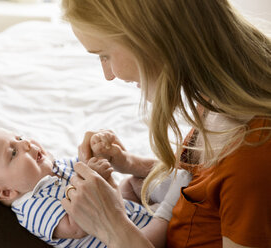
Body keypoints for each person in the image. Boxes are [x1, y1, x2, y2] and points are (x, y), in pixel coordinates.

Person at [59, 0, 271, 248]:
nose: (109, 74)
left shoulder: (253, 154)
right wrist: (130, 164)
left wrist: (112, 226)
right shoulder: (219, 97)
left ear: (151, 38)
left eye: (104, 55)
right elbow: (199, 184)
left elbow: (234, 179)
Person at [0, 127, 191, 248]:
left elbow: (99, 183)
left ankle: (164, 194)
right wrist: (95, 177)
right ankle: (168, 209)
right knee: (154, 232)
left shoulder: (56, 166)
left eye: (19, 137)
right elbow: (76, 226)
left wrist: (99, 155)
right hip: (121, 241)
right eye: (14, 152)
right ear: (7, 192)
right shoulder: (31, 207)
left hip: (123, 214)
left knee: (132, 184)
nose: (25, 143)